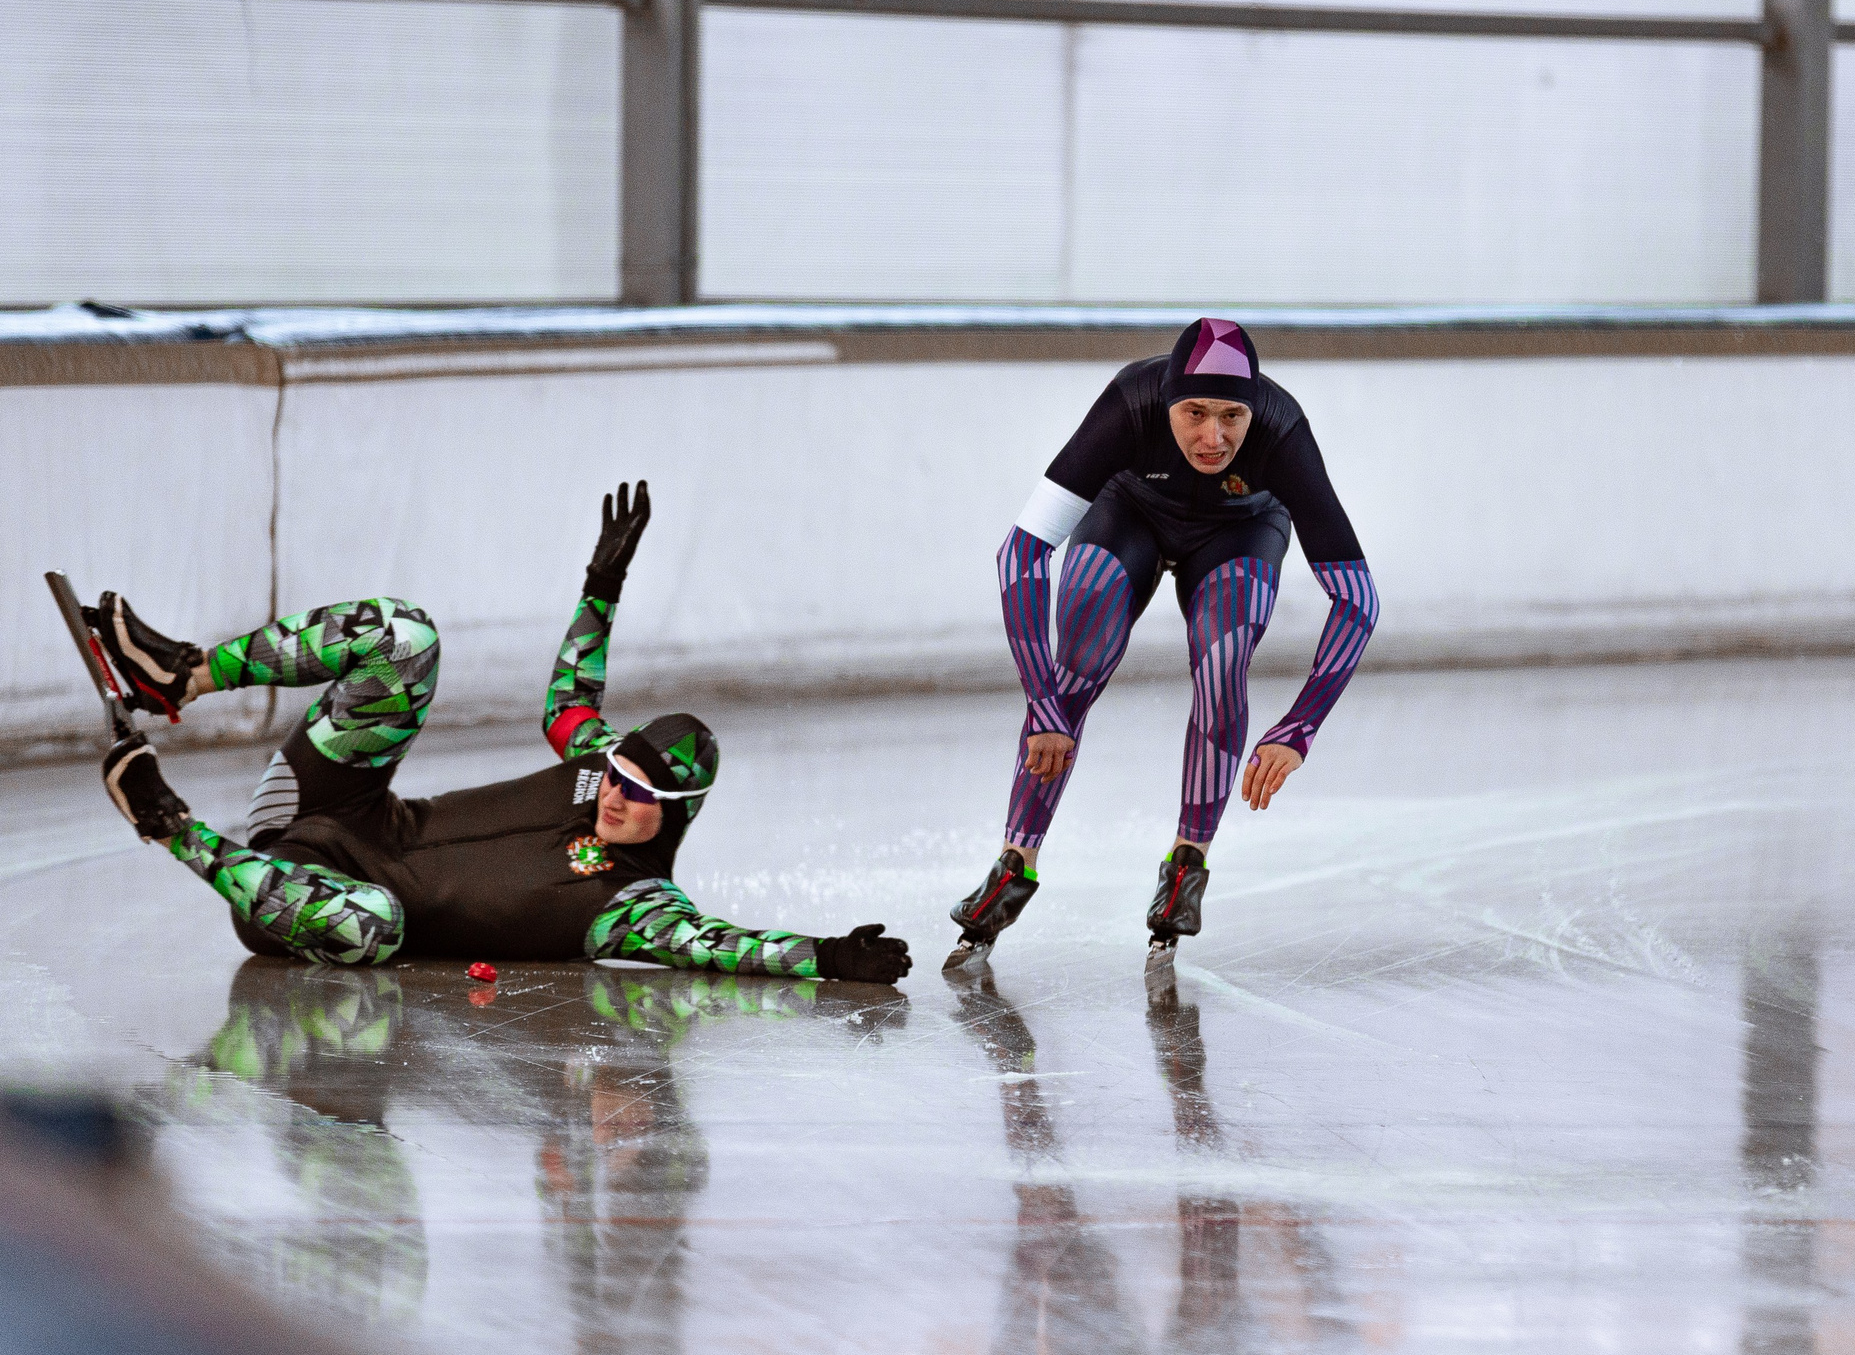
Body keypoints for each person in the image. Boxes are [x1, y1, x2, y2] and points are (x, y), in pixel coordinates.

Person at [89, 481, 912, 983]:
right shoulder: (598, 767)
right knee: (405, 636)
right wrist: (602, 586)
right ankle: (182, 673)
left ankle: (165, 820)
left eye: (644, 795)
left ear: (683, 810)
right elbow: (568, 699)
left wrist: (830, 955)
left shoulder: (635, 906)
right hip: (333, 805)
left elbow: (722, 947)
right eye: (619, 775)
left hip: (302, 902)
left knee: (375, 927)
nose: (618, 796)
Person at [947, 317, 1381, 967]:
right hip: (1133, 511)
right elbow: (1021, 553)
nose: (1214, 436)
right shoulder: (1131, 401)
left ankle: (1188, 865)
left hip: (1241, 530)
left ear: (1254, 406)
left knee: (1223, 658)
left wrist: (1297, 728)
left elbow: (1358, 598)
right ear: (1167, 401)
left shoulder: (1282, 429)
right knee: (1080, 651)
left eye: (1233, 414)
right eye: (1195, 412)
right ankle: (1016, 860)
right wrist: (1044, 705)